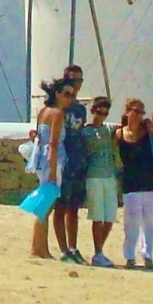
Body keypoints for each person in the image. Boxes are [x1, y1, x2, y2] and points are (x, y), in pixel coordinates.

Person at [27, 78, 73, 259]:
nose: (69, 98)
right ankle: (40, 249)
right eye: (66, 94)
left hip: (41, 159)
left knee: (43, 205)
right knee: (46, 206)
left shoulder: (43, 112)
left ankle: (37, 246)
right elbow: (53, 144)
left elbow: (38, 135)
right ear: (57, 94)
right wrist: (54, 170)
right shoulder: (57, 114)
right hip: (52, 160)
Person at [116, 98, 153, 268]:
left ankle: (148, 255)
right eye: (136, 111)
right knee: (131, 221)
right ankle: (129, 256)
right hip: (131, 183)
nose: (139, 115)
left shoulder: (148, 132)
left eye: (142, 112)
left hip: (151, 182)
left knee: (149, 220)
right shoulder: (119, 133)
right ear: (128, 111)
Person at [53, 64, 89, 263]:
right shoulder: (57, 107)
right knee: (60, 206)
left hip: (78, 160)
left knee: (74, 207)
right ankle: (63, 249)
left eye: (79, 81)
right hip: (62, 162)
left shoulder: (80, 110)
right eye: (73, 80)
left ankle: (73, 247)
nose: (76, 85)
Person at [80, 95, 120, 265]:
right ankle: (98, 252)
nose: (102, 115)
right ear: (93, 111)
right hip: (94, 175)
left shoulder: (109, 130)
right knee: (98, 216)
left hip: (109, 175)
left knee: (110, 217)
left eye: (105, 112)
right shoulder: (85, 132)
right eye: (99, 111)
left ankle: (99, 251)